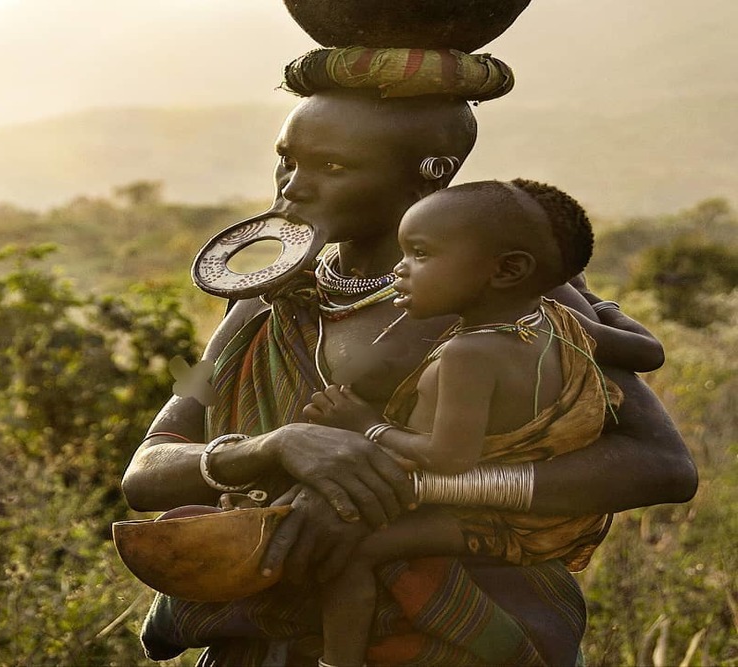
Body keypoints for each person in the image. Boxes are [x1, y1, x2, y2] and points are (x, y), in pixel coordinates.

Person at [120, 88, 697, 666]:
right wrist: (277, 446)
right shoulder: (258, 305)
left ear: (430, 176)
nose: (293, 185)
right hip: (264, 635)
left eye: (334, 166)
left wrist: (397, 494)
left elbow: (661, 467)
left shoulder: (510, 303)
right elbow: (148, 469)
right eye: (287, 159)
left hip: (459, 637)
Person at [301, 178, 662, 667]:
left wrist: (366, 423)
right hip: (546, 512)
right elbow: (649, 351)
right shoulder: (556, 319)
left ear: (508, 270)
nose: (398, 270)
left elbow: (450, 459)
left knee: (352, 551)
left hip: (498, 517)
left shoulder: (468, 355)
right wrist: (598, 303)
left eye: (420, 255)